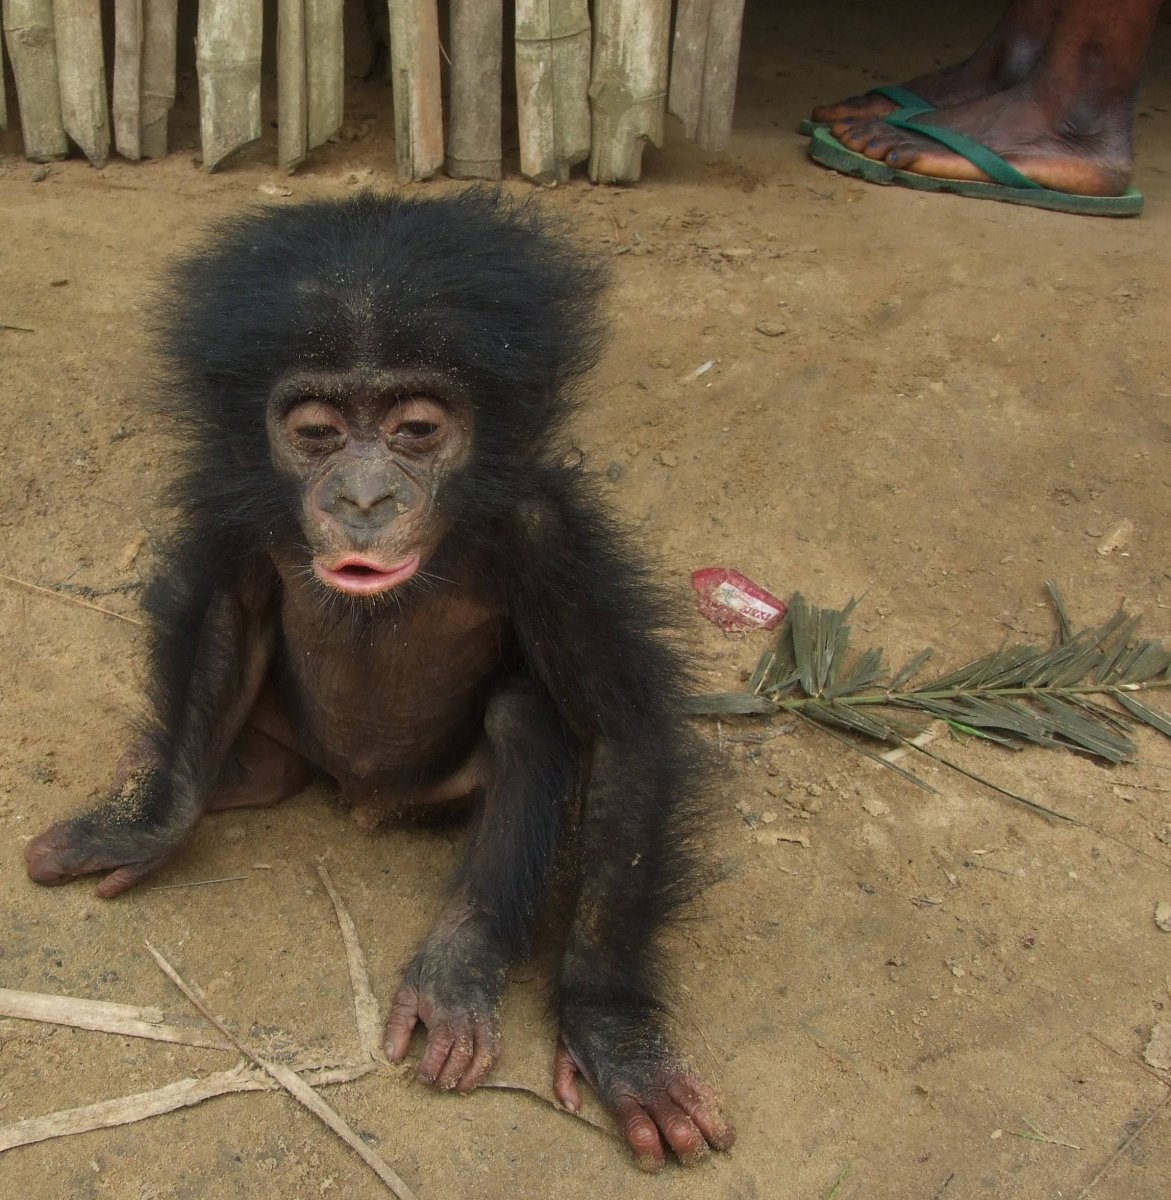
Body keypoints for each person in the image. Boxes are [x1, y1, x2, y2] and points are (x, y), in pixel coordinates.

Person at [804, 0, 1163, 215]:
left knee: (1084, 86)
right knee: (1028, 44)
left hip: (1077, 124)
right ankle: (1023, 60)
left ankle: (1080, 106)